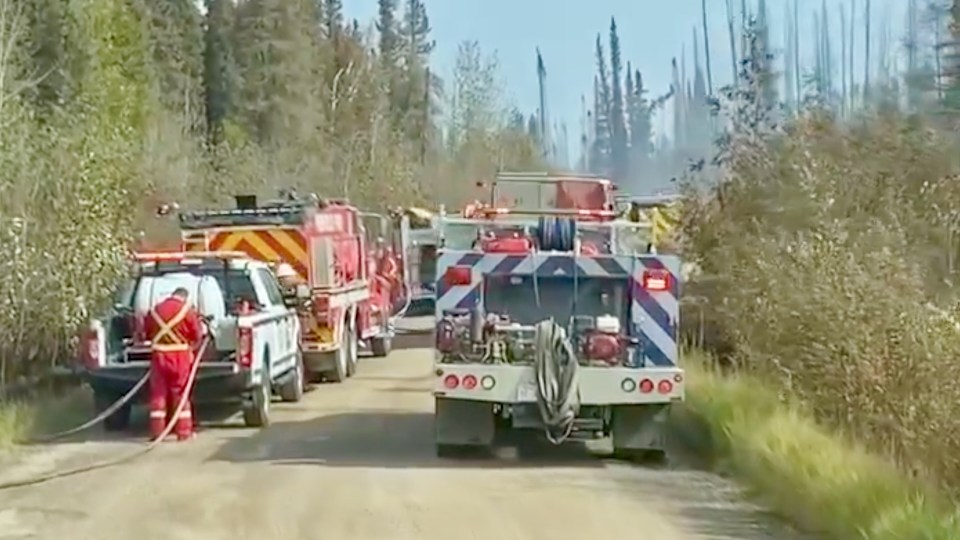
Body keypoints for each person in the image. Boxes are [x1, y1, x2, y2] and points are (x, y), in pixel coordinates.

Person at [144, 287, 203, 441]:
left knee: (158, 394)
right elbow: (197, 334)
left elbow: (147, 331)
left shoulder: (155, 310)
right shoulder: (186, 311)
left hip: (159, 356)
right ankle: (183, 432)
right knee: (180, 393)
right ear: (184, 297)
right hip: (179, 356)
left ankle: (157, 432)